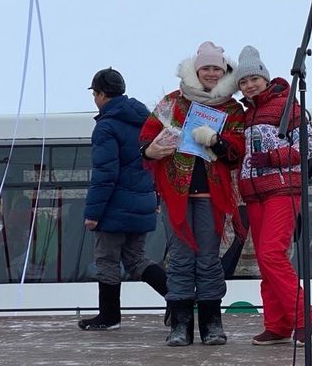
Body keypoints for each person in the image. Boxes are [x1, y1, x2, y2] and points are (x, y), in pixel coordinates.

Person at [139, 41, 245, 346]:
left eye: (217, 68)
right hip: (177, 193)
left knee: (209, 260)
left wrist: (217, 142)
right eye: (206, 68)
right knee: (181, 259)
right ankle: (180, 324)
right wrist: (151, 150)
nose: (212, 73)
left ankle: (212, 323)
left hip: (212, 197)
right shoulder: (172, 102)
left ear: (224, 70)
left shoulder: (233, 108)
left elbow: (237, 152)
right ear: (196, 70)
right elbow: (146, 139)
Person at [235, 45, 312, 346]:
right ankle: (277, 324)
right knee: (264, 259)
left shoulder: (289, 107)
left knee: (272, 253)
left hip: (282, 189)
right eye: (243, 82)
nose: (249, 85)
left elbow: (309, 146)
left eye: (254, 78)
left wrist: (272, 158)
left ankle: (302, 318)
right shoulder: (245, 115)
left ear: (266, 78)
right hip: (254, 195)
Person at [78, 67, 168, 331]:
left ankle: (109, 316)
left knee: (106, 259)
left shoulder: (106, 127)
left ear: (102, 95)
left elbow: (105, 173)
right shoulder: (145, 120)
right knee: (136, 258)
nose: (95, 99)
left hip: (114, 207)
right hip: (142, 203)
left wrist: (93, 213)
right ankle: (178, 298)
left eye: (95, 94)